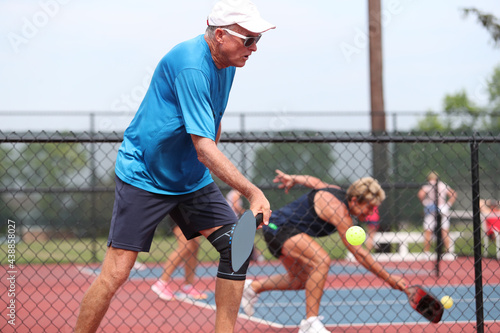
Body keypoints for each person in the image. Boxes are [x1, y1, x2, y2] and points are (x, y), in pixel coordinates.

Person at [74, 1, 274, 332]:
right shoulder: (191, 65)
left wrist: (208, 168)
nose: (254, 48)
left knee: (237, 247)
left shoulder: (229, 62)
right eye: (249, 39)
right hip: (145, 176)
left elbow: (213, 126)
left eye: (258, 40)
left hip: (191, 179)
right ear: (221, 35)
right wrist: (252, 192)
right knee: (116, 273)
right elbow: (203, 147)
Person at [240, 170, 408, 333]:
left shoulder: (336, 192)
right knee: (321, 260)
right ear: (356, 200)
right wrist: (389, 278)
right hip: (279, 227)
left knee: (298, 280)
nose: (371, 212)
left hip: (280, 229)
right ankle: (310, 324)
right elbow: (359, 253)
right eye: (369, 207)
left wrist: (293, 178)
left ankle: (252, 288)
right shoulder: (339, 211)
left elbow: (314, 182)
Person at [151, 225, 207, 301]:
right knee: (185, 247)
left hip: (194, 215)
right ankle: (162, 282)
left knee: (194, 247)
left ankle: (188, 286)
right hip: (181, 214)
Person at [417, 171, 457, 253]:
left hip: (431, 208)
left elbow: (420, 195)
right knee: (444, 230)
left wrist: (425, 203)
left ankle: (426, 252)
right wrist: (447, 205)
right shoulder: (442, 184)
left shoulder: (428, 185)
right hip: (442, 207)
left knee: (428, 230)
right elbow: (453, 194)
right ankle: (448, 251)